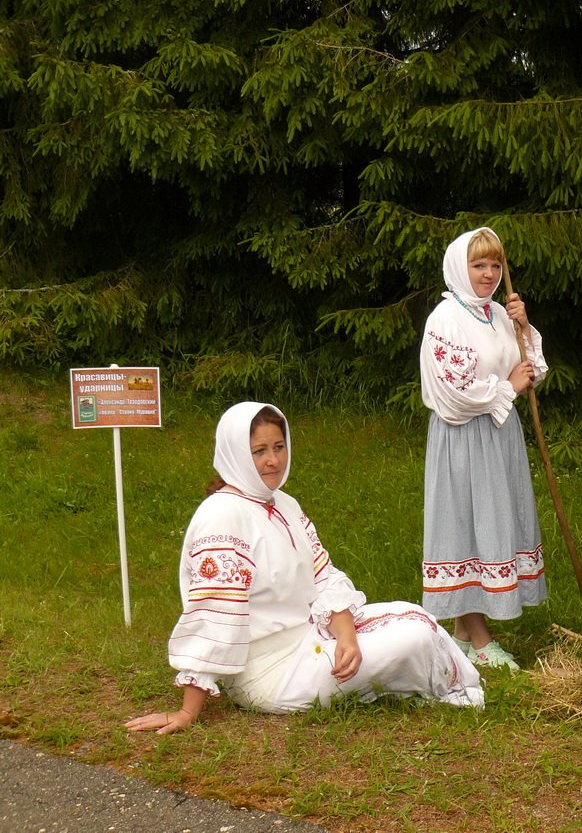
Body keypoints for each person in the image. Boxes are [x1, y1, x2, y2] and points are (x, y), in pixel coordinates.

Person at [125, 402, 483, 735]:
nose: (272, 461)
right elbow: (214, 615)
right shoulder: (223, 517)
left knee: (412, 613)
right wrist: (188, 712)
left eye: (278, 447)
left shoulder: (281, 502)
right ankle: (437, 685)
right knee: (414, 637)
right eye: (259, 451)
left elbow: (323, 575)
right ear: (235, 454)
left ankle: (422, 679)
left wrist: (346, 636)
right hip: (268, 674)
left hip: (307, 637)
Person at [419, 227, 548, 670]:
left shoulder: (497, 313)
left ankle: (461, 629)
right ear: (460, 267)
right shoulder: (445, 318)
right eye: (479, 265)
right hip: (464, 437)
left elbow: (530, 369)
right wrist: (505, 389)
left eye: (496, 265)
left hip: (499, 435)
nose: (490, 274)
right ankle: (479, 636)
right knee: (466, 526)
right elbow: (454, 393)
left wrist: (523, 327)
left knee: (491, 522)